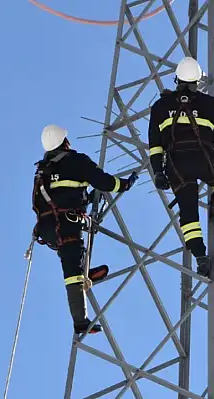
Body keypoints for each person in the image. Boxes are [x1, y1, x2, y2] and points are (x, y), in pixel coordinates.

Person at [31, 124, 138, 335]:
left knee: (71, 263)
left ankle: (83, 275)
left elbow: (56, 196)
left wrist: (85, 200)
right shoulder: (76, 160)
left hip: (47, 228)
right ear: (65, 141)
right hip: (67, 224)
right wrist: (124, 184)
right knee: (71, 270)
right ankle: (80, 320)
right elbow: (104, 181)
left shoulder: (42, 170)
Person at [147, 56, 214, 279]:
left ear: (176, 80)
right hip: (205, 159)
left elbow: (155, 146)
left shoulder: (160, 106)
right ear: (197, 81)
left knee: (188, 214)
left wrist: (158, 172)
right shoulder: (210, 103)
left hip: (177, 166)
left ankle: (200, 257)